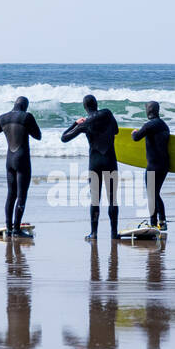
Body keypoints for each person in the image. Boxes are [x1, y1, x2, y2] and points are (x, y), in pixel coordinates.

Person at [61, 93, 120, 240]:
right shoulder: (107, 114)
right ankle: (114, 233)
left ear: (85, 107)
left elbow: (64, 138)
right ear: (96, 103)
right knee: (112, 198)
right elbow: (117, 131)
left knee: (95, 199)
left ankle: (94, 233)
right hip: (110, 160)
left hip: (95, 163)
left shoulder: (85, 124)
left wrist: (76, 123)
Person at [0, 96, 41, 237]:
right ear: (25, 106)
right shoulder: (27, 117)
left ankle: (9, 228)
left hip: (9, 160)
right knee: (21, 196)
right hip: (22, 159)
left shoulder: (2, 118)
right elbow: (38, 135)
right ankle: (17, 230)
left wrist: (5, 128)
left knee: (11, 195)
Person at [131, 100, 171, 230]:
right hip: (164, 165)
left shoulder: (149, 125)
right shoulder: (164, 125)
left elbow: (136, 137)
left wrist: (133, 133)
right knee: (155, 193)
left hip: (153, 165)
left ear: (149, 111)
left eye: (147, 109)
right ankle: (161, 222)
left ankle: (154, 223)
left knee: (152, 194)